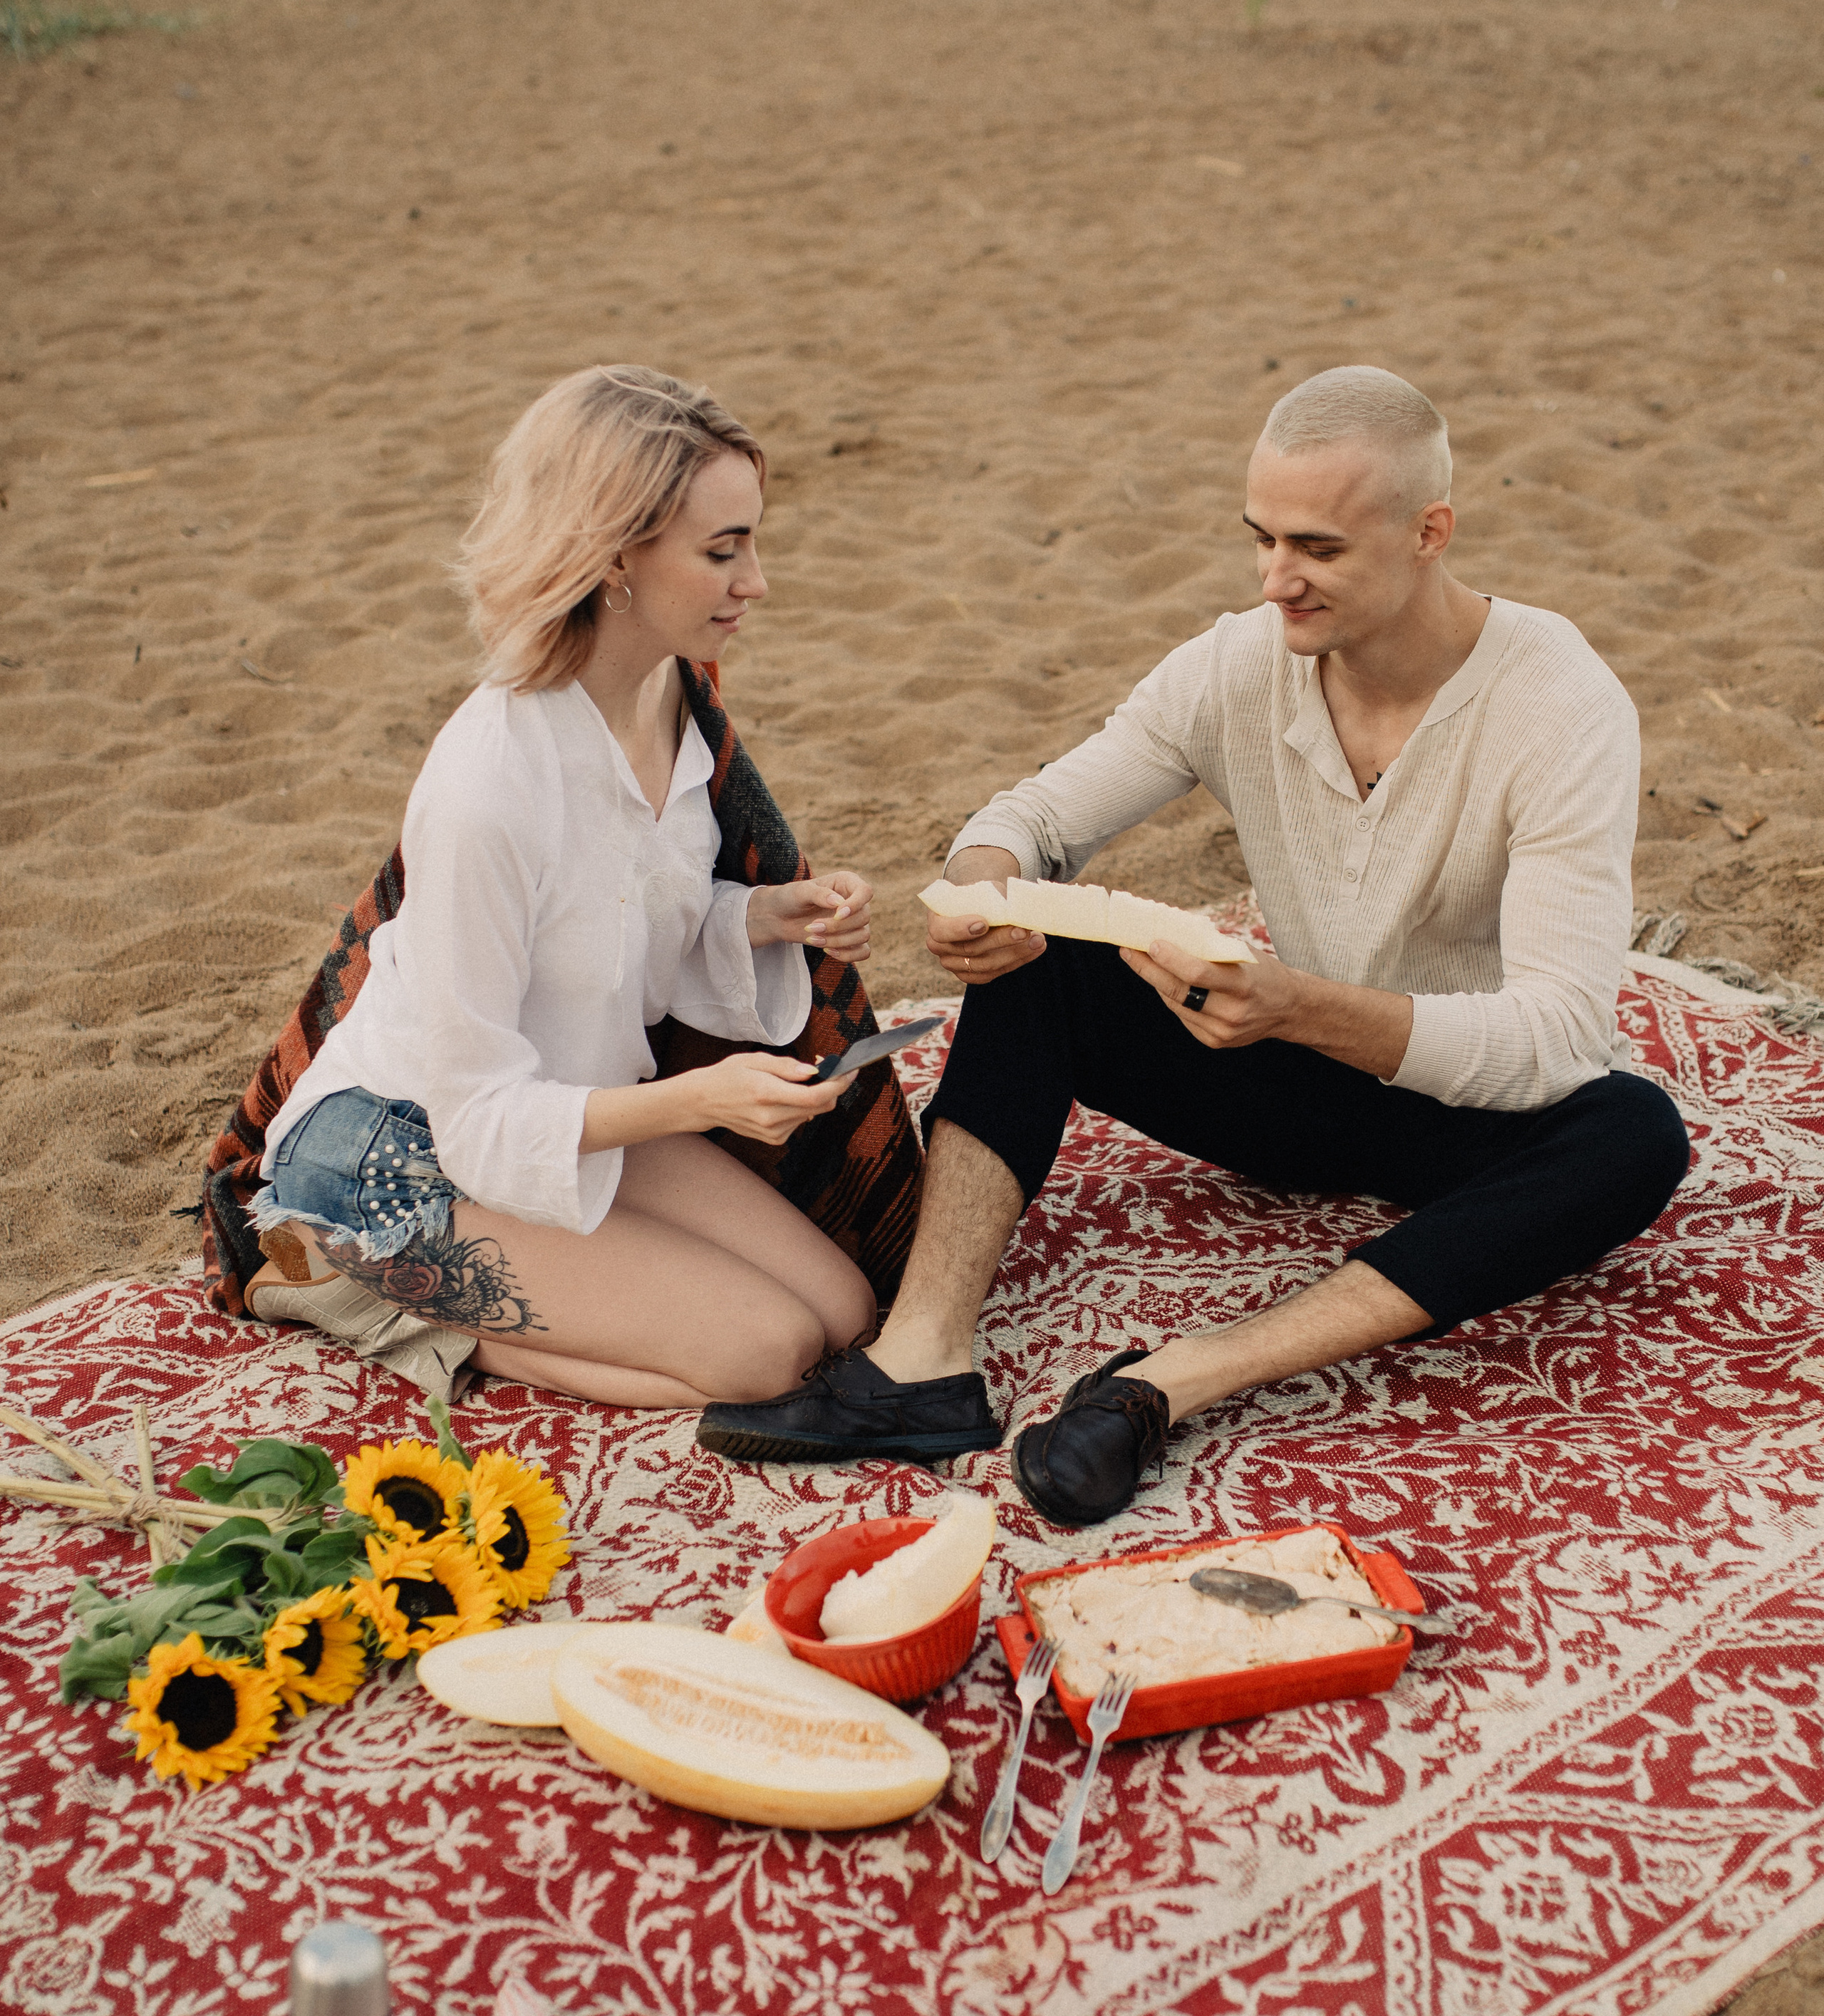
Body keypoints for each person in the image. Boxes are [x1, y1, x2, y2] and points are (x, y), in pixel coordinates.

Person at [698, 366, 1689, 1521]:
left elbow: (1558, 1039)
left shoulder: (1561, 707)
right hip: (1284, 1084)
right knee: (1043, 946)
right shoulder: (1242, 661)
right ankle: (921, 1364)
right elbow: (1036, 819)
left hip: (1479, 1118)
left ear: (1431, 532)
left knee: (1633, 1133)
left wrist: (1295, 1007)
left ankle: (1169, 1384)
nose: (1278, 581)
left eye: (1316, 547)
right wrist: (979, 895)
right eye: (1261, 540)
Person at [247, 364, 878, 1410]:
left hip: (578, 1100)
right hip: (403, 1148)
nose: (756, 581)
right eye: (723, 551)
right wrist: (696, 1100)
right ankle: (355, 1292)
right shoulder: (486, 783)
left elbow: (630, 920)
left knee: (844, 1312)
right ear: (616, 556)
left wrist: (764, 917)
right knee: (761, 1357)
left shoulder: (673, 695)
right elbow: (476, 1113)